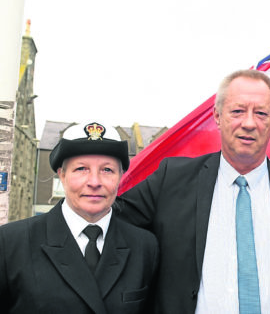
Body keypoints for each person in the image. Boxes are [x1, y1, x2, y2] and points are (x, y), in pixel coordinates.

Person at [114, 69, 270, 314]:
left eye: (260, 113)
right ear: (217, 116)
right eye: (237, 111)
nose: (249, 123)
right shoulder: (171, 180)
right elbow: (107, 222)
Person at [0, 122, 159, 314]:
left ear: (120, 177)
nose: (94, 182)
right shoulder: (10, 243)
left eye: (107, 170)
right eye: (81, 169)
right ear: (62, 175)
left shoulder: (144, 246)